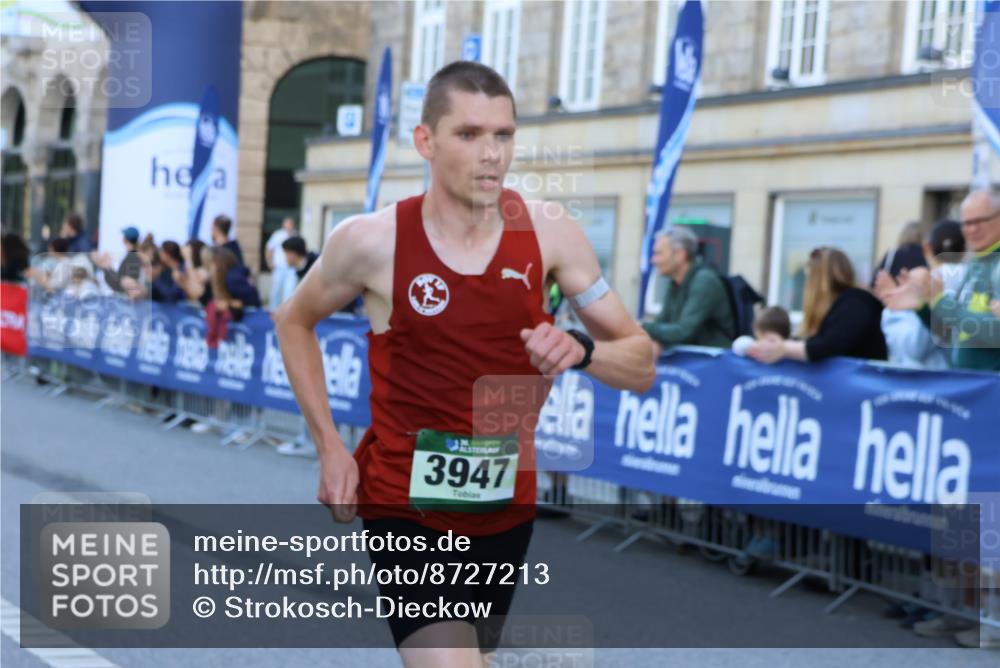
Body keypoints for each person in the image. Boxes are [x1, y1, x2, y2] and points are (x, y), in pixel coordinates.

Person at [273, 61, 655, 666]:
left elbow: (640, 363)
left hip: (504, 503)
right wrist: (329, 447)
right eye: (469, 134)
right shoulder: (371, 240)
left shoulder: (551, 234)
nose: (491, 155)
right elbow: (293, 320)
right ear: (426, 141)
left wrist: (584, 350)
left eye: (503, 136)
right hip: (405, 503)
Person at [882, 189, 1000, 372]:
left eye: (980, 221)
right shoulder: (976, 261)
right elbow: (955, 332)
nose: (972, 229)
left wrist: (940, 303)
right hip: (967, 387)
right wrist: (923, 308)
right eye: (967, 223)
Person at [749, 247, 888, 364]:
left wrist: (784, 348)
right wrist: (783, 344)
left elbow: (827, 346)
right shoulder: (844, 304)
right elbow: (817, 341)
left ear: (818, 280)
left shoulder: (856, 303)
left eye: (809, 278)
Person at [874, 220, 966, 370]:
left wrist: (907, 307)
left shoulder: (922, 282)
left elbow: (912, 347)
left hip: (927, 382)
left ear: (927, 249)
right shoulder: (980, 280)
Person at [642, 226, 735, 354]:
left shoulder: (704, 281)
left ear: (680, 255)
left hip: (715, 366)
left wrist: (641, 327)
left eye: (658, 253)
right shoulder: (675, 282)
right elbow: (662, 322)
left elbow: (683, 332)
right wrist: (656, 339)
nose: (653, 260)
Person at [91, 226, 145, 298]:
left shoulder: (132, 258)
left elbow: (120, 285)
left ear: (125, 240)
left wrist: (106, 267)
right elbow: (121, 280)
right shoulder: (134, 256)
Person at [266, 217, 297, 307]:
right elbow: (269, 248)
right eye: (287, 224)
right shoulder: (277, 235)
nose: (288, 226)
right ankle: (273, 309)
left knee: (290, 291)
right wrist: (270, 262)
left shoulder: (295, 236)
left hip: (291, 268)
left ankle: (287, 309)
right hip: (279, 267)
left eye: (290, 224)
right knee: (276, 290)